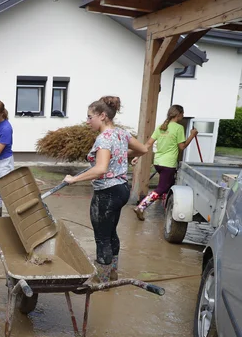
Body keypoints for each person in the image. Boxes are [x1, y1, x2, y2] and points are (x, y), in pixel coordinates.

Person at [62, 97, 149, 282]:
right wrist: (125, 155)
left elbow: (100, 169)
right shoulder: (121, 134)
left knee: (102, 237)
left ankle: (101, 280)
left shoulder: (103, 138)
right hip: (121, 190)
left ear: (102, 116)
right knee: (111, 232)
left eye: (89, 117)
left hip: (107, 193)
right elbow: (143, 149)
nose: (87, 121)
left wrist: (74, 179)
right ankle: (113, 272)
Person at [132, 105, 198, 220]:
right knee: (162, 188)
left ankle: (166, 209)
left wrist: (138, 156)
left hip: (158, 162)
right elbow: (182, 147)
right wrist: (192, 135)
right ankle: (141, 207)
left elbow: (147, 145)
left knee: (170, 184)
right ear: (179, 114)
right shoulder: (178, 128)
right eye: (183, 114)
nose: (183, 116)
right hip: (168, 164)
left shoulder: (160, 127)